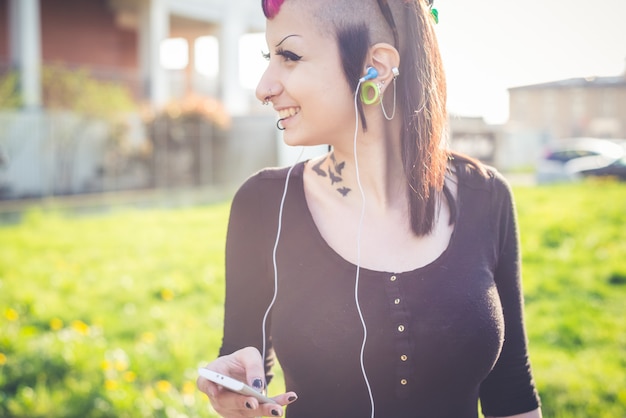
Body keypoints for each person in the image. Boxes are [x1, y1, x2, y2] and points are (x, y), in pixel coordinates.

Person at [197, 0, 542, 417]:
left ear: (375, 66)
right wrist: (235, 394)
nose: (264, 87)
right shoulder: (264, 205)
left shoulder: (486, 197)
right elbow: (245, 367)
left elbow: (513, 393)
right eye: (270, 58)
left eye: (289, 56)